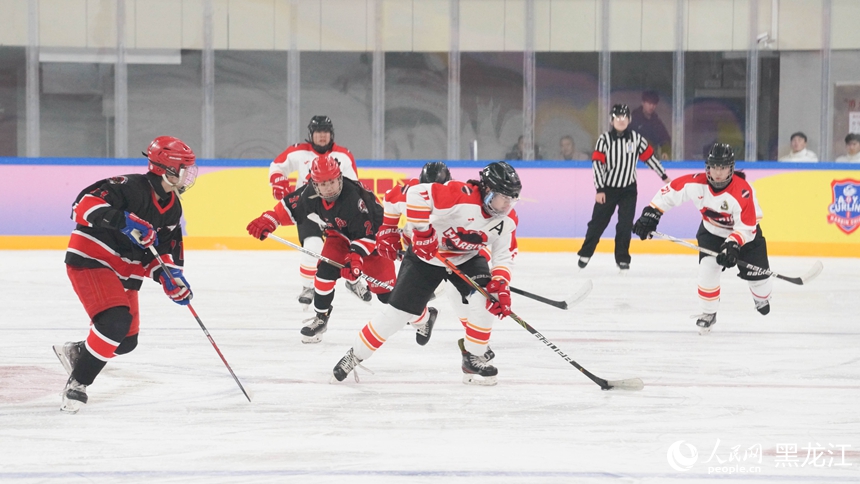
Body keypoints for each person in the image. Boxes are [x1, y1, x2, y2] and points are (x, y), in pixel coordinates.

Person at [331, 162, 522, 386]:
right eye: (503, 198)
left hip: (466, 258)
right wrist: (405, 232)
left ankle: (473, 356)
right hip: (425, 259)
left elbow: (503, 256)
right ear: (487, 190)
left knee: (487, 299)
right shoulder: (458, 195)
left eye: (512, 199)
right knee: (396, 315)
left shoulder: (506, 220)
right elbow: (412, 194)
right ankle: (355, 354)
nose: (507, 205)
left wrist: (500, 283)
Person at [53, 136, 198, 413]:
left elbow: (163, 252)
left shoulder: (173, 207)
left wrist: (169, 278)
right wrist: (123, 221)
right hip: (93, 259)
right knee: (114, 324)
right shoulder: (129, 187)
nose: (188, 175)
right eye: (184, 168)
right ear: (166, 168)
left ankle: (78, 353)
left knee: (126, 341)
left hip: (125, 271)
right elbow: (81, 205)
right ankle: (78, 383)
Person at [247, 155, 397, 344]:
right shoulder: (310, 193)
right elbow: (290, 207)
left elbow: (366, 236)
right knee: (324, 273)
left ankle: (422, 316)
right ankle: (321, 318)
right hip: (339, 237)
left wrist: (355, 261)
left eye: (332, 182)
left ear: (340, 178)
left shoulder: (353, 199)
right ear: (315, 184)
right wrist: (269, 219)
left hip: (374, 243)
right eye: (323, 184)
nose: (329, 187)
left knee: (387, 296)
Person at [632, 143, 772, 335]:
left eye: (722, 168)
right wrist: (651, 213)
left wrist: (732, 245)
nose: (718, 173)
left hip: (746, 236)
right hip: (712, 232)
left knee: (760, 280)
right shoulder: (696, 183)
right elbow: (670, 192)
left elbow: (747, 228)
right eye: (714, 167)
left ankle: (760, 296)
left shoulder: (743, 192)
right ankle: (708, 313)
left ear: (731, 168)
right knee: (707, 271)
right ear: (708, 167)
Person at [268, 115, 369, 308]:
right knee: (312, 247)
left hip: (338, 211)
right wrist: (278, 181)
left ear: (331, 134)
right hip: (309, 209)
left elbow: (355, 184)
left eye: (326, 132)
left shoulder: (343, 156)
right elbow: (277, 166)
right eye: (318, 132)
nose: (322, 136)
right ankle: (308, 287)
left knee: (352, 248)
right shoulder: (298, 152)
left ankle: (353, 281)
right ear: (311, 134)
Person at [577, 104, 671, 273]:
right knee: (597, 223)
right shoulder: (604, 140)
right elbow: (597, 165)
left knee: (625, 225)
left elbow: (650, 159)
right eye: (618, 118)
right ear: (612, 120)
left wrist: (664, 176)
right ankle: (586, 252)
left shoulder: (636, 139)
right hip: (607, 189)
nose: (621, 121)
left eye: (624, 117)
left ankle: (622, 259)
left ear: (629, 120)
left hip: (628, 189)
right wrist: (599, 189)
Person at [630, 90, 671, 159]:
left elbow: (665, 139)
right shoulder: (632, 120)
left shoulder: (656, 122)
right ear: (643, 103)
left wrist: (665, 151)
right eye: (649, 103)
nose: (651, 106)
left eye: (654, 104)